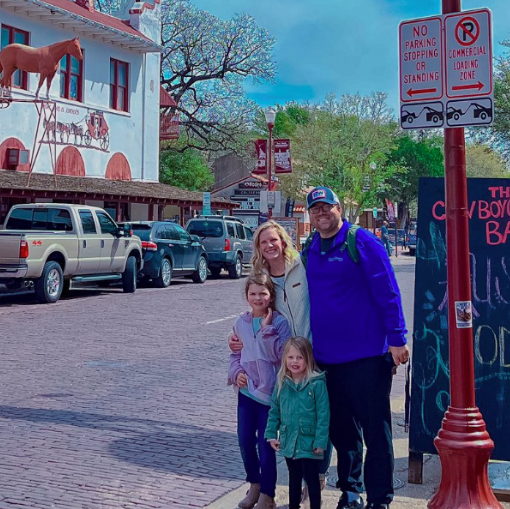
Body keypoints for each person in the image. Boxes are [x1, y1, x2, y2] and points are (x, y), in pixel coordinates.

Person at [302, 186, 410, 509]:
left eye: (327, 207)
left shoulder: (361, 241)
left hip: (367, 358)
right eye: (315, 209)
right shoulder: (310, 248)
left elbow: (388, 291)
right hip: (326, 359)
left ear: (339, 208)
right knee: (343, 434)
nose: (322, 213)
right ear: (310, 216)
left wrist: (398, 339)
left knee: (376, 433)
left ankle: (380, 499)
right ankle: (351, 492)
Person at [229, 221, 333, 494]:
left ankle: (318, 475)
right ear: (258, 248)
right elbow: (253, 316)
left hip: (316, 350)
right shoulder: (261, 277)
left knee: (319, 416)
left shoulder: (302, 265)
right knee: (291, 422)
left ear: (283, 241)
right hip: (284, 361)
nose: (269, 246)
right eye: (263, 242)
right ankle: (290, 482)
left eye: (273, 240)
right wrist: (235, 339)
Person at [228, 273, 292, 509]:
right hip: (246, 394)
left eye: (262, 293)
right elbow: (235, 355)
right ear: (246, 296)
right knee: (245, 440)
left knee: (267, 446)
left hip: (269, 396)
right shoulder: (240, 322)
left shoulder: (279, 323)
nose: (257, 298)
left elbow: (281, 356)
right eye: (253, 293)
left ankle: (268, 493)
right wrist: (237, 373)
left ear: (270, 296)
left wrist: (266, 331)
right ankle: (254, 484)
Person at [265, 336, 330, 509]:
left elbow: (323, 416)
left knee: (312, 479)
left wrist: (320, 441)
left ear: (307, 359)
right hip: (289, 440)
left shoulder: (316, 384)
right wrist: (271, 434)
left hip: (309, 442)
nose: (295, 362)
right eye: (291, 357)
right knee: (293, 478)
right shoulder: (282, 384)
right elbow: (275, 411)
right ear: (285, 359)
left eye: (299, 357)